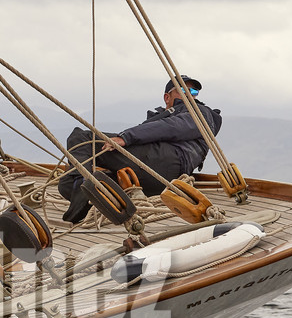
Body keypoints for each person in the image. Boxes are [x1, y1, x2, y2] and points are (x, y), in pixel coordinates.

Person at [58, 75, 222, 222]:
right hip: (150, 176)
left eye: (193, 92)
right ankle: (91, 198)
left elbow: (172, 127)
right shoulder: (164, 116)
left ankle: (83, 192)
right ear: (167, 97)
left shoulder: (200, 112)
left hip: (168, 161)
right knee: (66, 182)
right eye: (183, 91)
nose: (190, 95)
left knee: (82, 138)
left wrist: (125, 137)